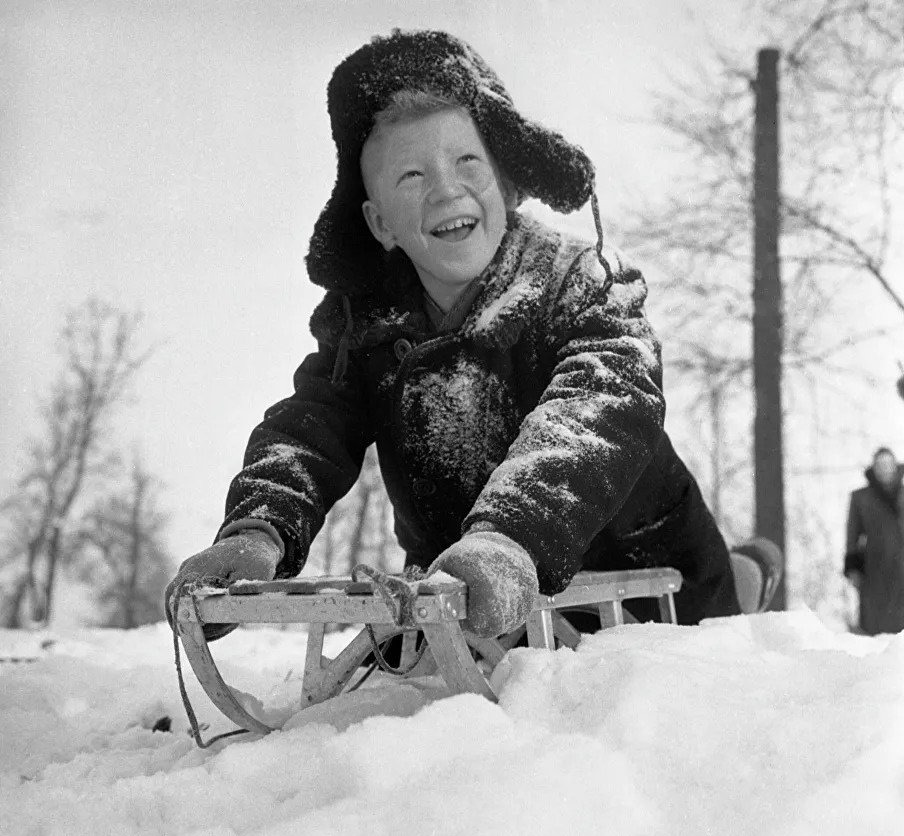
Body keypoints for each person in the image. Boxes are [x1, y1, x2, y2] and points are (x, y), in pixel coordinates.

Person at [166, 29, 780, 641]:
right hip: (469, 587)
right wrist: (258, 528)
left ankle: (745, 576)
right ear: (381, 224)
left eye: (467, 162)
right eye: (411, 176)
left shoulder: (580, 283)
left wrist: (509, 534)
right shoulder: (370, 330)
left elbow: (601, 406)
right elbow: (309, 429)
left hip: (639, 568)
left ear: (506, 185)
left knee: (709, 622)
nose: (446, 188)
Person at [844, 447, 904, 634]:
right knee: (875, 626)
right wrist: (853, 567)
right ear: (874, 468)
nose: (885, 469)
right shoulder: (861, 498)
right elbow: (852, 535)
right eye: (880, 465)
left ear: (895, 467)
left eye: (888, 464)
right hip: (874, 568)